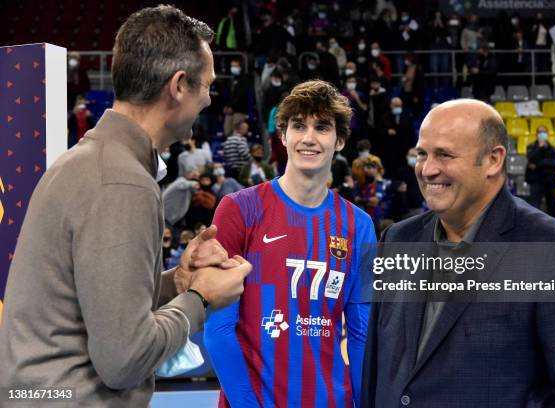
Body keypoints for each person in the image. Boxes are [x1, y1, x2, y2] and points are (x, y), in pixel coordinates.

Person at [0, 6, 252, 406]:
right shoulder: (121, 182)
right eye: (207, 86)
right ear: (179, 85)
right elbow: (125, 359)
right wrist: (200, 299)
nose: (208, 99)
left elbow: (99, 301)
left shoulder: (91, 162)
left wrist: (178, 282)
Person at [362, 99, 555, 407]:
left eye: (444, 154)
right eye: (422, 154)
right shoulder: (397, 240)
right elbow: (376, 370)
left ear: (493, 160)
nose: (428, 170)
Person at [197, 80, 376, 407]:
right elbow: (218, 329)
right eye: (298, 126)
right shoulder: (239, 209)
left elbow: (362, 333)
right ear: (283, 136)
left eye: (322, 127)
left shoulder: (359, 226)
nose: (309, 138)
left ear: (340, 141)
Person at [526, 125, 555, 217]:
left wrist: (538, 164)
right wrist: (539, 148)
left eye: (544, 132)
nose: (542, 134)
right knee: (535, 206)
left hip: (550, 181)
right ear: (536, 134)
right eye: (540, 132)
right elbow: (531, 158)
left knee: (552, 206)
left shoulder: (553, 149)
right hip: (536, 181)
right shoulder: (531, 147)